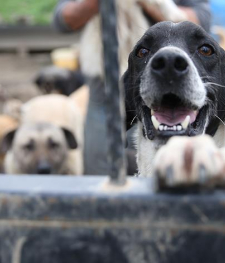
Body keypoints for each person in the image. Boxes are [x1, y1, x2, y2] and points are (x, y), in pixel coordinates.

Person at [53, 0, 211, 175]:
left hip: (163, 91)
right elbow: (63, 20)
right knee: (100, 173)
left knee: (162, 172)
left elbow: (200, 21)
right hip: (103, 90)